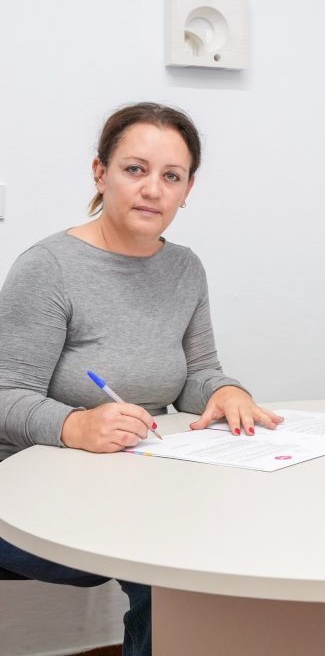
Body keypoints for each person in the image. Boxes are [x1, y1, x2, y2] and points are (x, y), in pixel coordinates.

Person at [0, 102, 283, 655]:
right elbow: (5, 394)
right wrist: (77, 425)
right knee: (170, 561)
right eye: (135, 169)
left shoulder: (184, 267)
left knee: (229, 536)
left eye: (171, 176)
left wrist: (225, 391)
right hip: (27, 495)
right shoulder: (49, 267)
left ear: (187, 189)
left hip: (139, 482)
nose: (153, 189)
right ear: (100, 173)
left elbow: (196, 373)